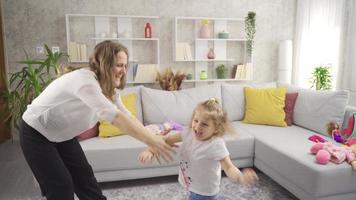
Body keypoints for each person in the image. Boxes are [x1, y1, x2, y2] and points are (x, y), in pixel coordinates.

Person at [19, 40, 174, 200]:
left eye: (125, 66)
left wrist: (153, 134)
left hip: (62, 135)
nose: (123, 70)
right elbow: (116, 118)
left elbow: (128, 117)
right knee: (61, 186)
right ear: (104, 64)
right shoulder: (85, 82)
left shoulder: (108, 89)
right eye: (119, 65)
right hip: (36, 133)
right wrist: (152, 142)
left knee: (85, 179)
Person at [139, 98, 258, 200]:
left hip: (205, 194)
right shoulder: (188, 133)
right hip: (189, 186)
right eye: (196, 121)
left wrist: (241, 177)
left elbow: (229, 167)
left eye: (204, 124)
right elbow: (166, 140)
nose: (197, 126)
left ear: (216, 128)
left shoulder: (216, 144)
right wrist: (150, 150)